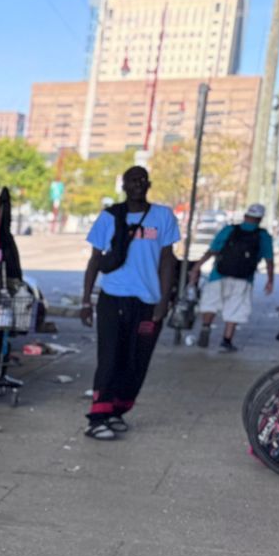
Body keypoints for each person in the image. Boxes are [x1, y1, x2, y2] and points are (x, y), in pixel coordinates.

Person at [80, 167, 180, 440]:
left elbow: (167, 260)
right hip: (113, 298)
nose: (138, 184)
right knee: (110, 358)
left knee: (136, 361)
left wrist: (163, 299)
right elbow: (95, 260)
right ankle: (97, 417)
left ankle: (116, 411)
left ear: (149, 184)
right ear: (123, 185)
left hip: (147, 301)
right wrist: (86, 300)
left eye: (142, 179)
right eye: (132, 180)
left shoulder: (163, 216)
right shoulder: (110, 216)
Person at [195, 202, 276, 352]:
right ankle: (226, 341)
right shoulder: (263, 236)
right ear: (260, 219)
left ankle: (206, 327)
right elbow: (269, 260)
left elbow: (212, 250)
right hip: (244, 279)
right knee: (235, 308)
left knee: (211, 303)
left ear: (246, 216)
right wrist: (270, 280)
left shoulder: (229, 229)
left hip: (218, 275)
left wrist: (196, 267)